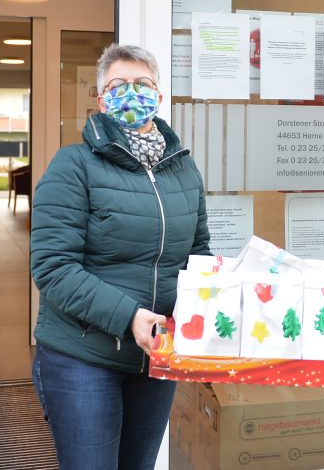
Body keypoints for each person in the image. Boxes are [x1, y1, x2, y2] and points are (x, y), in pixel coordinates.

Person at [30, 44, 211, 470]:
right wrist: (130, 317)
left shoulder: (183, 169)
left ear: (159, 96)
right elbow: (53, 268)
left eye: (143, 84)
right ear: (101, 99)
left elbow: (198, 252)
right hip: (83, 357)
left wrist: (200, 306)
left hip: (156, 355)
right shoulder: (73, 165)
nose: (131, 93)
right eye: (118, 86)